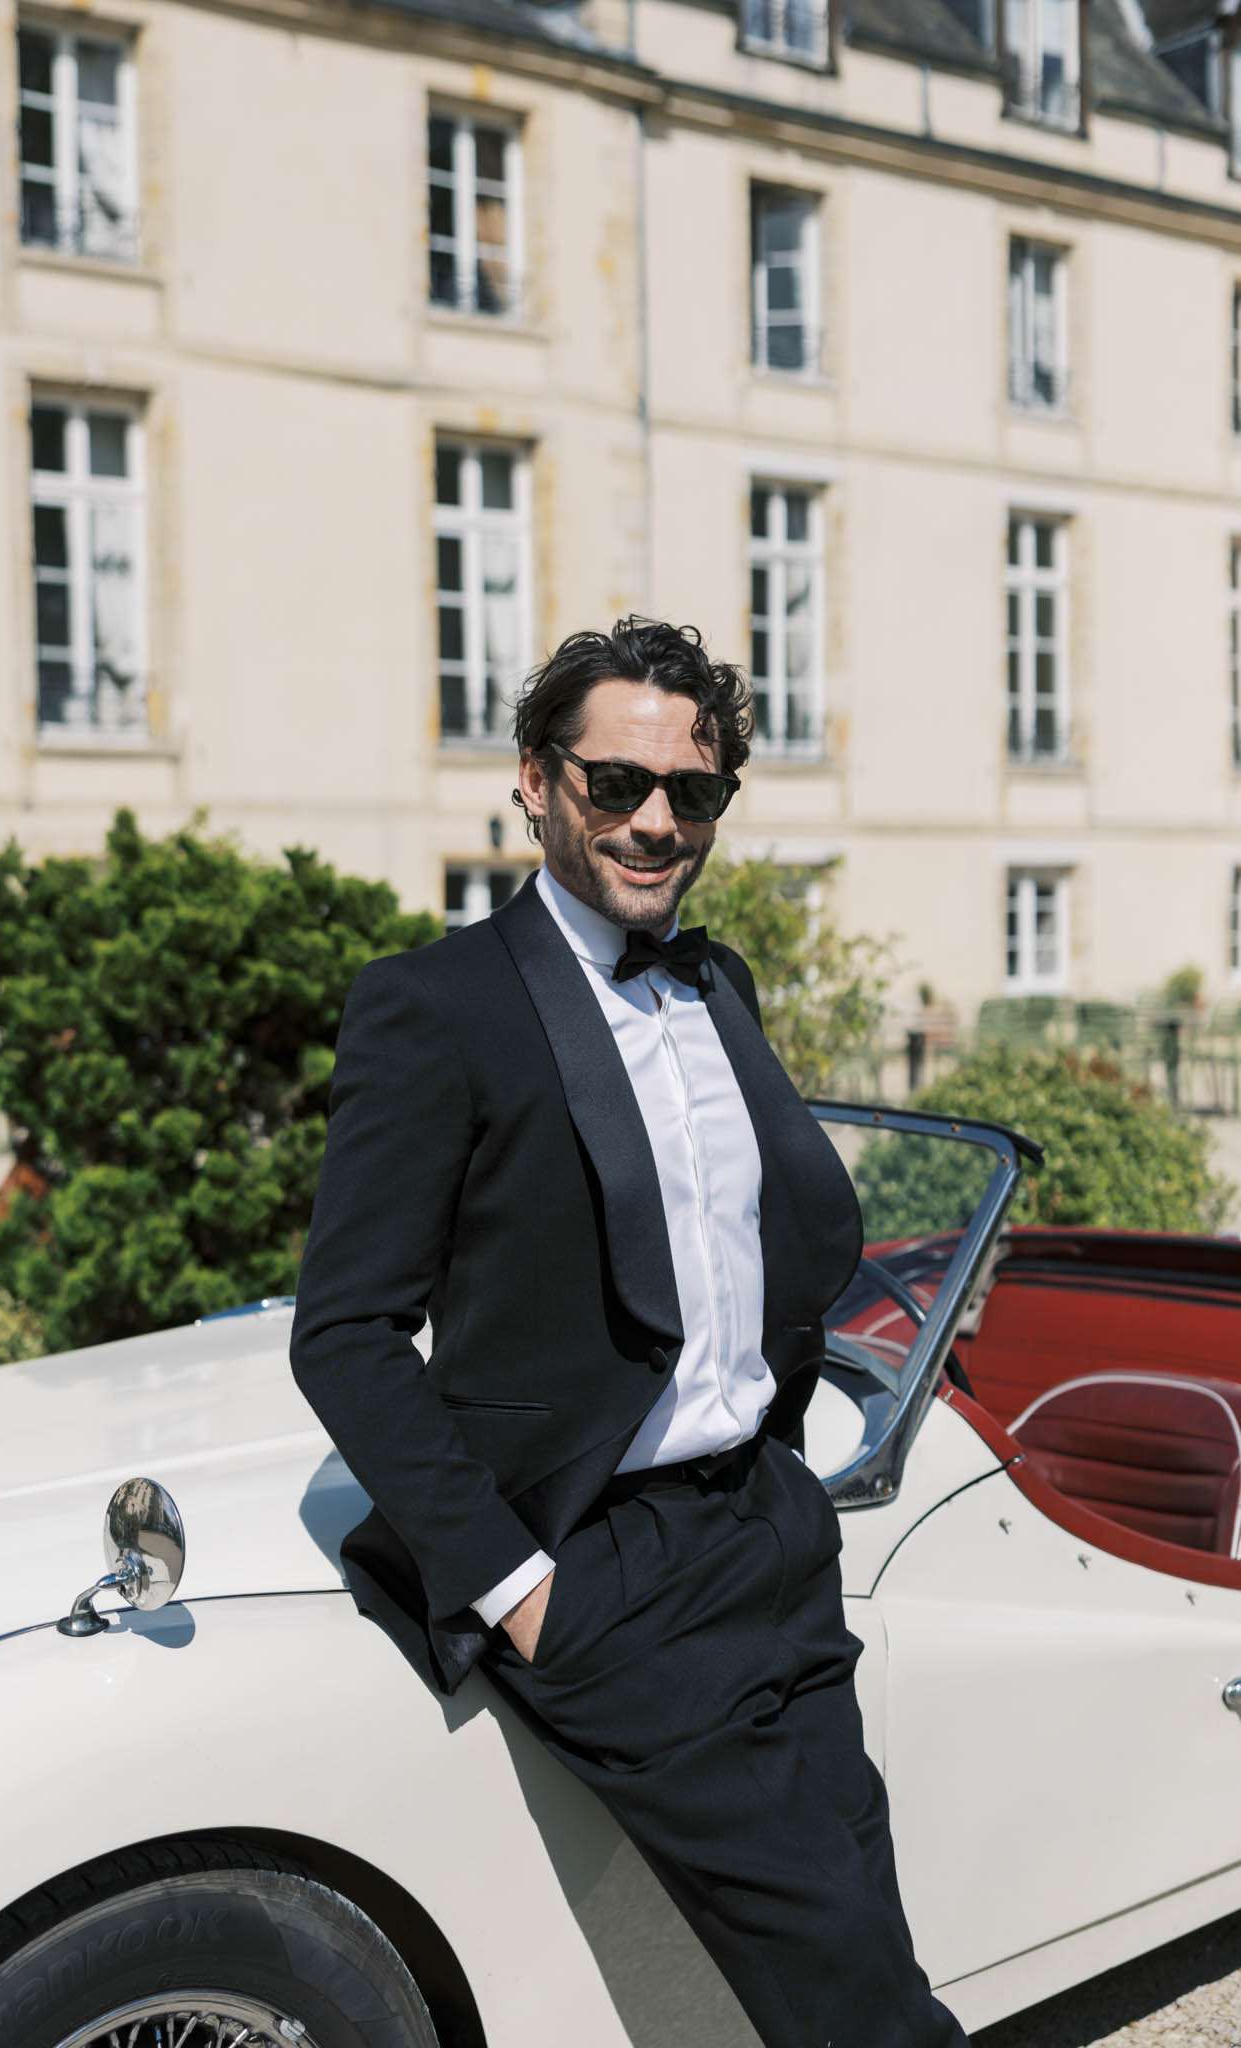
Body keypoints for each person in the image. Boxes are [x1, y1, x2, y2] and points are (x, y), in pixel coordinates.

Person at [289, 617, 968, 2047]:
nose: (656, 821)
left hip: (771, 1535)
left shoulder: (715, 983)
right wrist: (520, 1590)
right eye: (615, 784)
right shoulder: (438, 1005)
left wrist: (783, 1464)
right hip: (608, 1577)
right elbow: (344, 1333)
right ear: (535, 782)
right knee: (858, 1997)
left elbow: (762, 1253)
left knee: (860, 1934)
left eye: (694, 792)